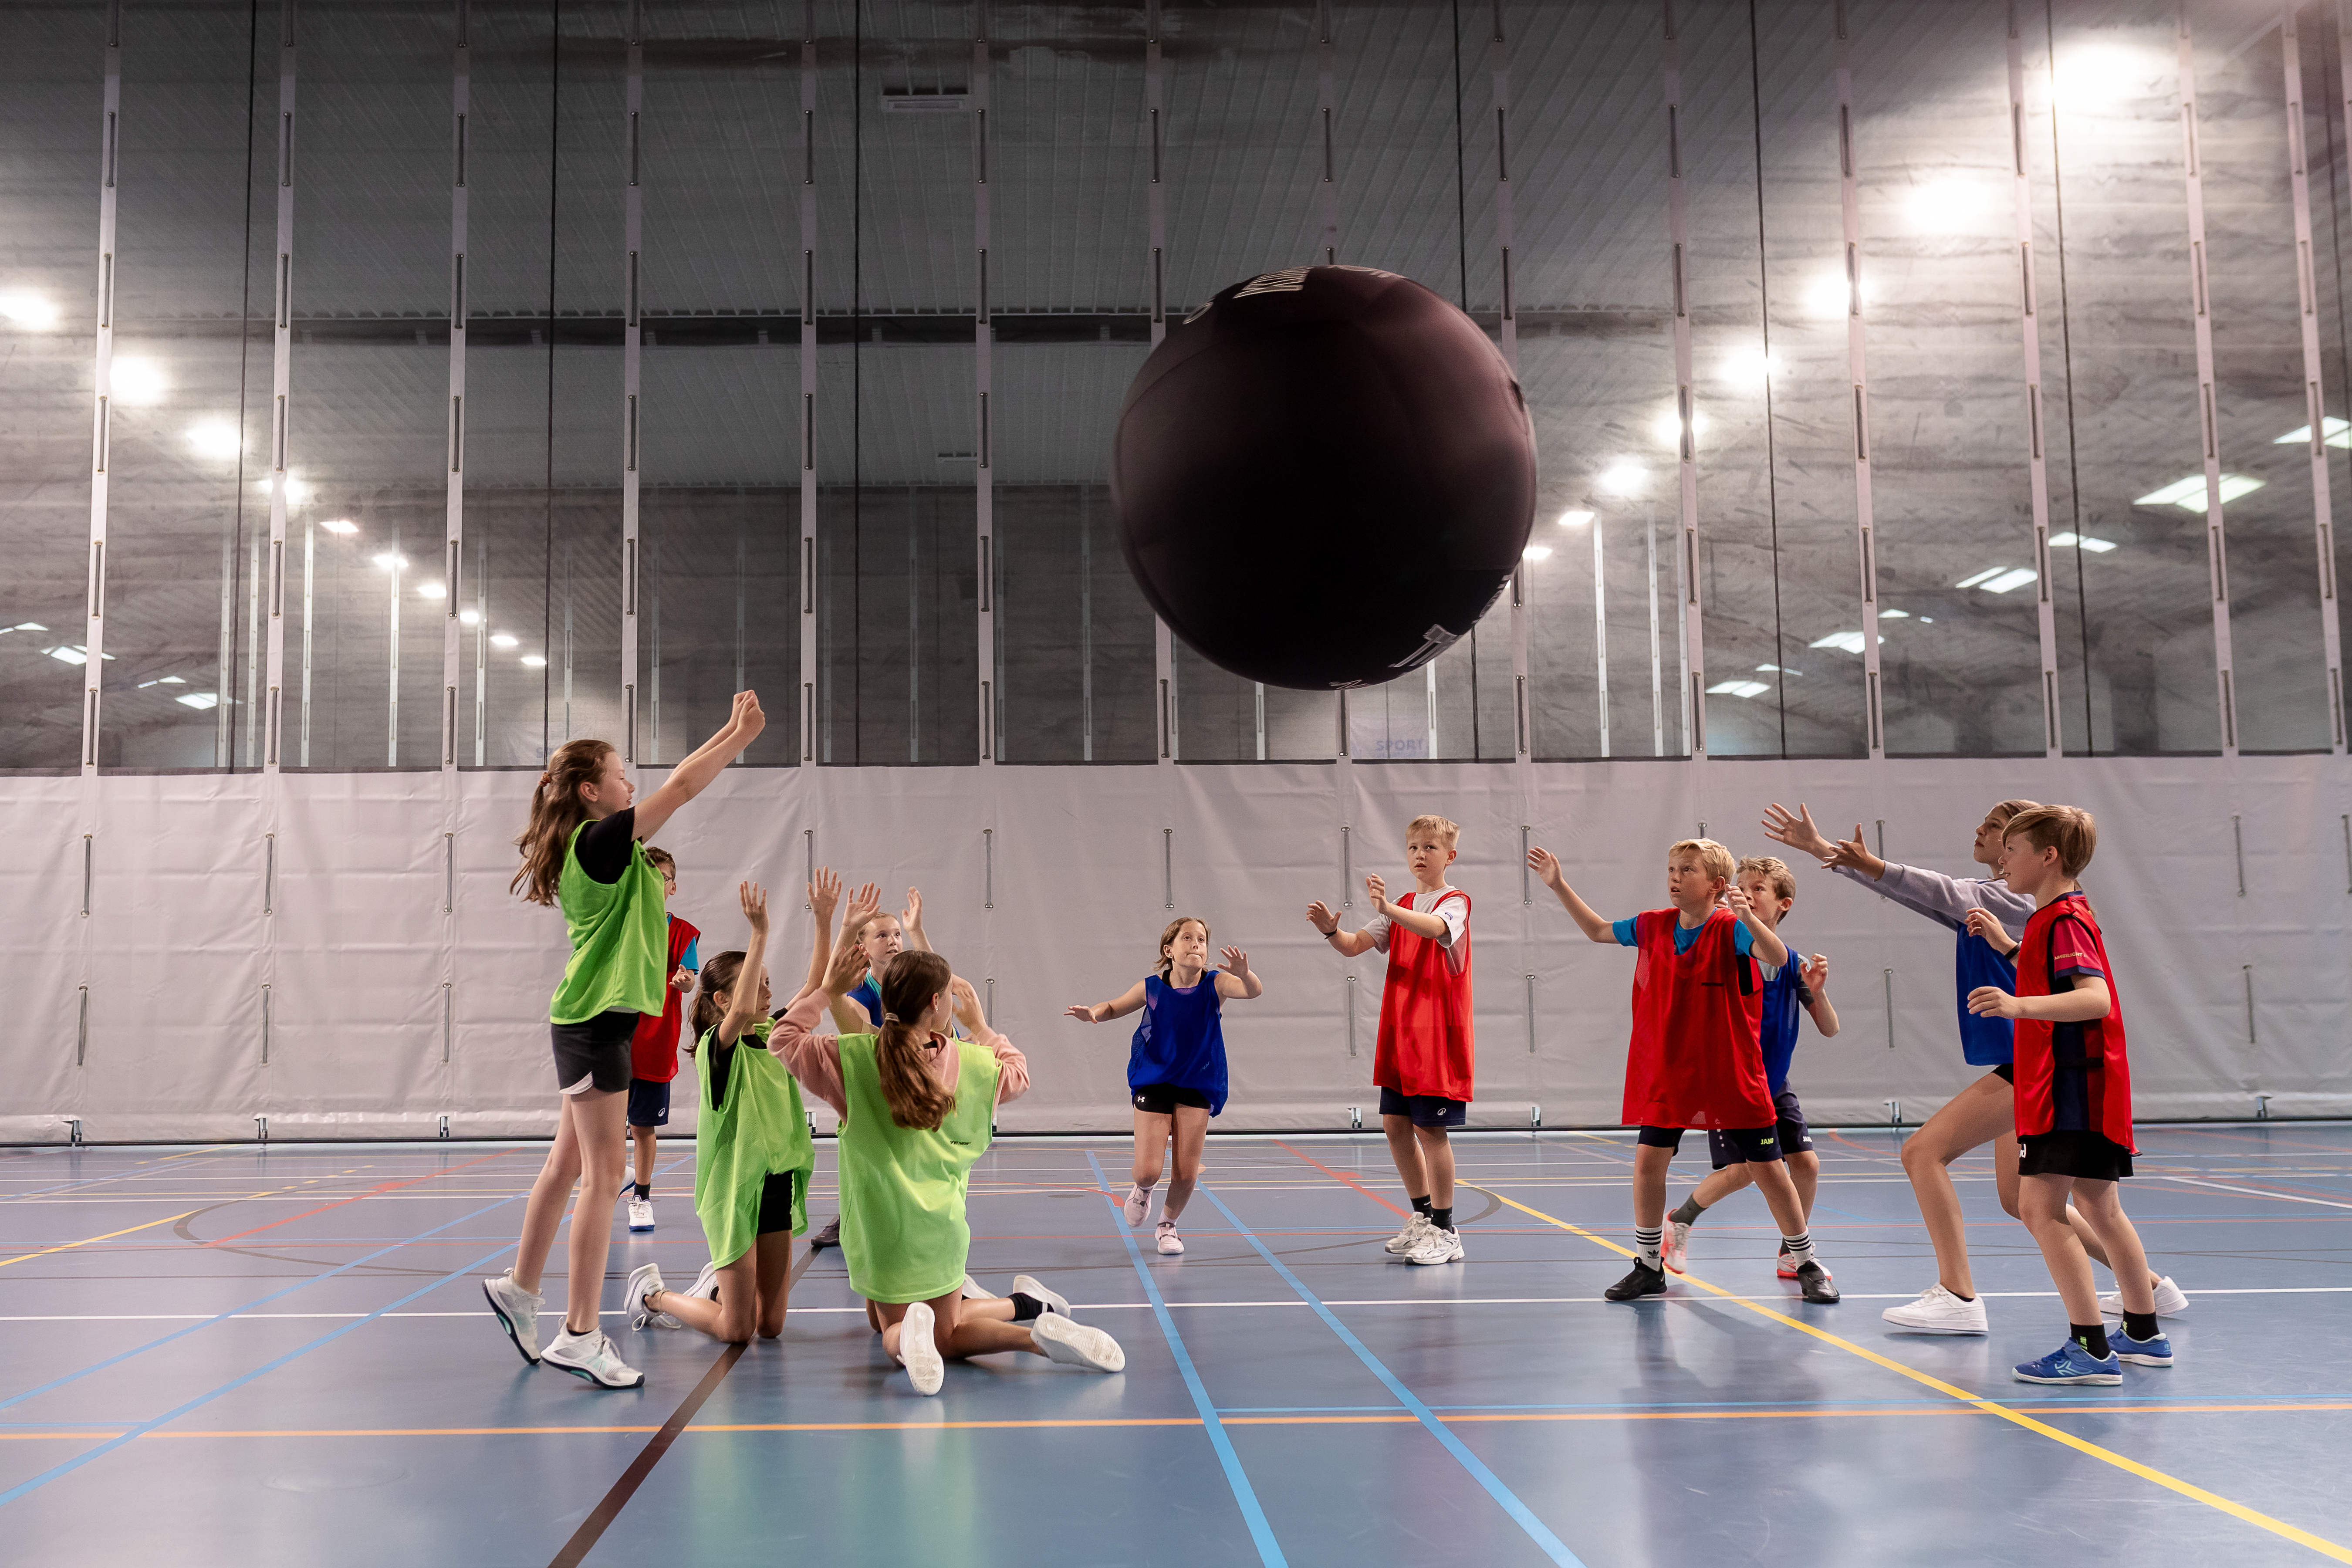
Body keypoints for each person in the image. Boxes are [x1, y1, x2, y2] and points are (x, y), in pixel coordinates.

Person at [1761, 801, 2183, 1334]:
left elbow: (1924, 888)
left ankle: (1960, 1294)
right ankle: (2145, 1290)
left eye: (1998, 834)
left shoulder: (2016, 901)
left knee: (1923, 1152)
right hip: (2033, 1061)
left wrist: (1833, 852)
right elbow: (1933, 899)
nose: (1984, 837)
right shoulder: (2008, 904)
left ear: (2040, 852)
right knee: (2025, 1200)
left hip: (2039, 1063)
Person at [482, 692, 764, 1389]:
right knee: (605, 1178)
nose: (631, 784)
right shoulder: (600, 843)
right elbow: (685, 786)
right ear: (591, 791)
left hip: (590, 1023)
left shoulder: (607, 846)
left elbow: (676, 780)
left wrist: (730, 728)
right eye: (620, 775)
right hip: (594, 1026)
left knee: (565, 1166)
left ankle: (521, 1290)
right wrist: (739, 739)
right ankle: (580, 1333)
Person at [772, 892, 1125, 1396]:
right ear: (939, 1004)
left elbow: (783, 1038)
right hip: (940, 1229)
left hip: (878, 1230)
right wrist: (981, 1027)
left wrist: (826, 991)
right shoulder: (972, 1062)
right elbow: (1020, 1072)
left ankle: (916, 1337)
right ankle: (1032, 1329)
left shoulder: (851, 1058)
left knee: (896, 1331)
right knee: (936, 1327)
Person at [1528, 837, 1839, 1305]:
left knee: (1769, 1169)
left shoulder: (1732, 929)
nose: (1674, 877)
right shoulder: (1653, 925)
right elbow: (1596, 930)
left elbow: (1775, 957)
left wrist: (1749, 916)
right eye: (1672, 868)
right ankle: (1649, 1265)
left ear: (1716, 885)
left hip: (1732, 1070)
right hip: (1670, 1069)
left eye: (1687, 870)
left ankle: (1805, 1260)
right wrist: (1558, 884)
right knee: (1649, 1161)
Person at [1960, 805, 2170, 1384]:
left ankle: (2091, 1349)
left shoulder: (2063, 921)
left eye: (2014, 849)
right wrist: (2007, 946)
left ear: (2048, 856)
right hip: (2086, 1085)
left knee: (2039, 1208)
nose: (2003, 858)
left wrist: (2016, 1005)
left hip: (2069, 1088)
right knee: (2102, 1208)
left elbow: (2094, 998)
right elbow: (2049, 974)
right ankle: (2145, 1333)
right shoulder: (2052, 919)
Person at [627, 878, 814, 1344]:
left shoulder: (775, 1036)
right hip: (733, 1192)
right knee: (737, 1330)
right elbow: (737, 1014)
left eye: (769, 982)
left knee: (769, 1328)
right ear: (724, 1001)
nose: (768, 992)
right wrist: (759, 934)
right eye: (758, 983)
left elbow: (818, 989)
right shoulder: (719, 1047)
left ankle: (718, 1288)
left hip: (774, 1185)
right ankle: (653, 1295)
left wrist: (831, 923)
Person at [1662, 856, 1839, 1284]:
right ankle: (1679, 1221)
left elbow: (1830, 1029)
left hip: (1774, 1084)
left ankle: (1790, 1253)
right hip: (1734, 1084)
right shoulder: (1726, 949)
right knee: (1743, 1172)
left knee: (1807, 1165)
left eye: (1758, 888)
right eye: (1741, 887)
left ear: (1784, 904)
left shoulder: (1792, 963)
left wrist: (1819, 993)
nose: (1747, 894)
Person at [1065, 916, 1264, 1256]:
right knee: (1147, 1171)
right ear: (1169, 950)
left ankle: (1167, 1227)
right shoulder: (1153, 988)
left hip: (1198, 1081)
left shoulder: (1215, 985)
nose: (1196, 944)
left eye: (1201, 939)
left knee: (1186, 1175)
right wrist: (1094, 1013)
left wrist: (1245, 972)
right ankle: (1142, 1191)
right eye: (1187, 938)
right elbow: (1113, 1006)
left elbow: (1252, 991)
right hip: (1155, 1078)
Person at [806, 885, 933, 1254]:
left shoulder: (914, 980)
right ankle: (849, 1215)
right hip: (875, 1081)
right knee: (869, 1155)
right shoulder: (862, 990)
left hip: (914, 1078)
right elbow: (849, 1019)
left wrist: (917, 931)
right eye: (883, 935)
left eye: (898, 935)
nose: (894, 941)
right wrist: (843, 928)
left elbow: (936, 980)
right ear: (863, 947)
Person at [622, 845, 700, 1233]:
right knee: (601, 1125)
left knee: (642, 1129)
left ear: (672, 887)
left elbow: (689, 975)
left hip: (654, 1042)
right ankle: (610, 1178)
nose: (655, 884)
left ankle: (641, 1195)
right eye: (646, 877)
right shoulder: (620, 924)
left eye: (662, 878)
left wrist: (685, 980)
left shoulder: (683, 933)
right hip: (613, 1039)